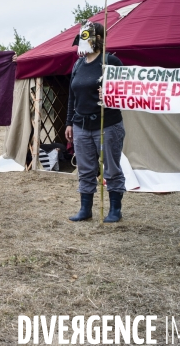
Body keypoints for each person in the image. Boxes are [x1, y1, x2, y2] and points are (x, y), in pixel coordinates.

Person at [65, 20, 126, 223]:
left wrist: (109, 92)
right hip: (80, 125)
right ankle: (85, 209)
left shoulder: (110, 62)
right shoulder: (78, 64)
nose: (83, 39)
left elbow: (125, 91)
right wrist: (68, 123)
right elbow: (72, 96)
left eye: (87, 35)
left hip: (107, 123)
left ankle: (115, 210)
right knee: (85, 168)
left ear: (97, 38)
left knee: (111, 167)